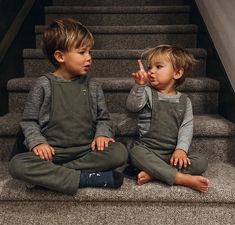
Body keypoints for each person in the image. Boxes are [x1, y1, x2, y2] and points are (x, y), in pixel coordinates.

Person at [9, 18, 128, 194]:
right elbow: (29, 121)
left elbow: (103, 118)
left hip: (85, 151)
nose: (89, 58)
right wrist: (37, 143)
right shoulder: (43, 85)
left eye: (90, 52)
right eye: (82, 52)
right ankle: (84, 177)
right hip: (51, 154)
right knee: (16, 165)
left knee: (119, 152)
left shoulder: (93, 85)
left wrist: (102, 134)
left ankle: (55, 177)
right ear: (60, 56)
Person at [126, 45, 209, 193]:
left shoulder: (185, 101)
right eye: (150, 67)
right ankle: (180, 178)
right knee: (135, 153)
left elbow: (186, 127)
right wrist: (139, 86)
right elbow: (132, 107)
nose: (151, 71)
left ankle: (155, 173)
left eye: (158, 67)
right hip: (148, 150)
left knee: (201, 162)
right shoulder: (146, 92)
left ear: (177, 73)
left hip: (172, 154)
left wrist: (181, 150)